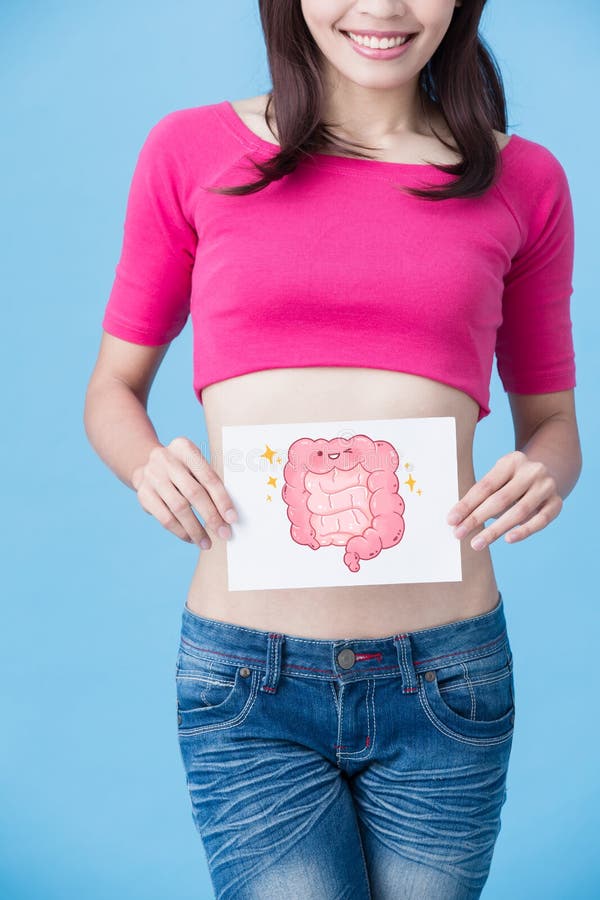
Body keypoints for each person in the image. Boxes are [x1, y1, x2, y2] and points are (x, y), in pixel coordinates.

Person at [83, 1, 582, 897]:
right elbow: (112, 393)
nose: (384, 8)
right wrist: (146, 463)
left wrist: (543, 473)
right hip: (246, 684)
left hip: (448, 680)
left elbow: (554, 424)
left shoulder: (523, 177)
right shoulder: (188, 152)